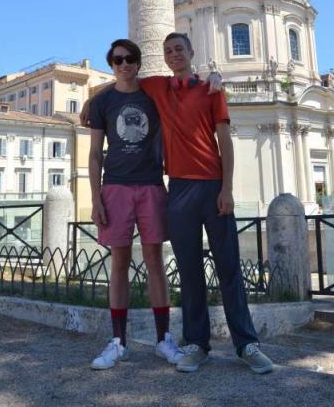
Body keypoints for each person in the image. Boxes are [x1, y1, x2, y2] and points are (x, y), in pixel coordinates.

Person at [82, 33, 273, 374]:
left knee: (228, 267)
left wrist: (227, 188)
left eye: (179, 49)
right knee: (188, 271)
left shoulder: (211, 89)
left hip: (208, 185)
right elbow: (124, 82)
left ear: (191, 51)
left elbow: (225, 142)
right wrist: (90, 99)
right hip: (177, 188)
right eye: (168, 51)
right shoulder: (158, 87)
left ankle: (246, 344)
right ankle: (196, 344)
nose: (174, 55)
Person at [88, 39, 183, 370]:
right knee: (119, 262)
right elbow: (95, 153)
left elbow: (182, 81)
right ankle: (118, 342)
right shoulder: (102, 102)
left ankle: (163, 339)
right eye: (118, 60)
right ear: (111, 64)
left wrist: (213, 79)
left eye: (130, 59)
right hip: (115, 187)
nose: (124, 64)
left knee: (155, 260)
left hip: (152, 184)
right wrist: (95, 198)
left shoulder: (153, 94)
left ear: (139, 62)